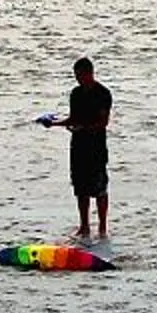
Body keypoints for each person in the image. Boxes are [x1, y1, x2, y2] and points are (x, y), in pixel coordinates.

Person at [42, 57, 113, 242]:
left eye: (81, 76)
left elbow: (103, 123)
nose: (78, 80)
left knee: (99, 188)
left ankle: (103, 226)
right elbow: (73, 118)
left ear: (90, 73)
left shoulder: (103, 94)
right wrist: (54, 123)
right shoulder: (76, 93)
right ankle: (84, 226)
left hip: (96, 146)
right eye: (76, 76)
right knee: (80, 187)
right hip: (78, 146)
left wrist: (84, 129)